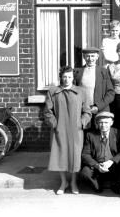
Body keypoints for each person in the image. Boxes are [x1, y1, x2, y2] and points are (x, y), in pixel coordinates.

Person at [44, 66, 92, 195]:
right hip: (59, 129)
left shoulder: (81, 91)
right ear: (61, 77)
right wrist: (54, 124)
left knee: (74, 155)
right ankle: (63, 182)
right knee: (61, 155)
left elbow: (87, 111)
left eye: (69, 77)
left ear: (73, 78)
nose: (67, 79)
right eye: (64, 76)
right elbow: (48, 112)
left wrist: (82, 122)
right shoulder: (53, 92)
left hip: (76, 130)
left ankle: (73, 182)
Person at [80, 111, 120, 194]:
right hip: (97, 164)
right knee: (85, 173)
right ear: (97, 123)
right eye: (101, 122)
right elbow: (85, 154)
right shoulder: (90, 135)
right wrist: (97, 165)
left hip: (112, 164)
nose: (103, 125)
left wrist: (111, 161)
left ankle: (115, 185)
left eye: (106, 122)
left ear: (111, 123)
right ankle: (97, 185)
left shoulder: (117, 133)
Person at [74, 47, 115, 131]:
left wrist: (98, 106)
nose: (90, 59)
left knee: (98, 136)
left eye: (93, 56)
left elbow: (110, 93)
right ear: (84, 57)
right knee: (84, 135)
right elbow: (73, 92)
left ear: (97, 57)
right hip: (83, 110)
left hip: (100, 109)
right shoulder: (77, 72)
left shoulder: (103, 72)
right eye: (88, 56)